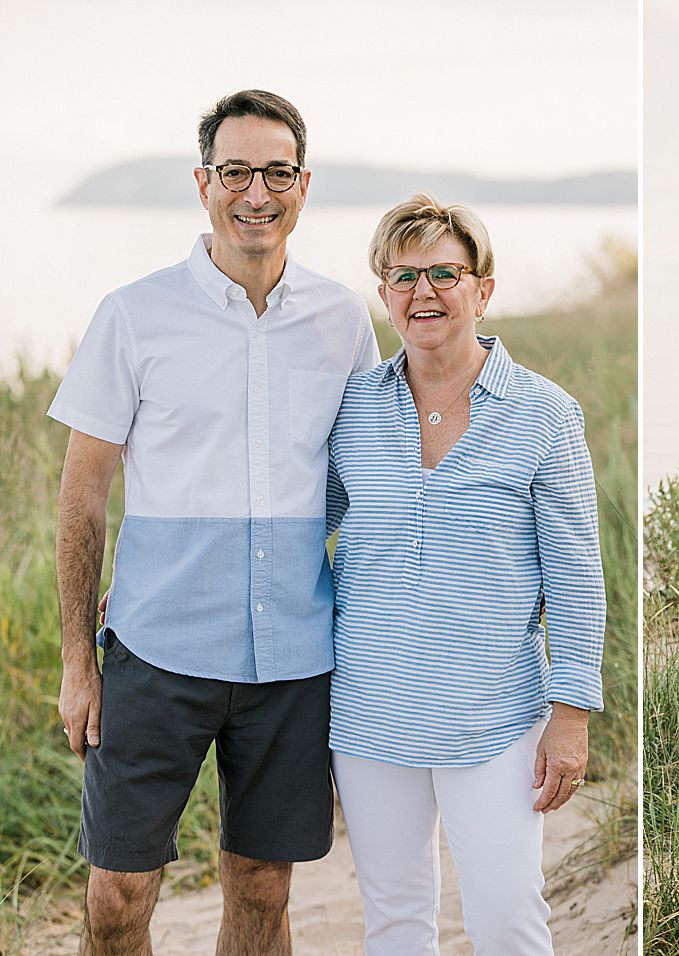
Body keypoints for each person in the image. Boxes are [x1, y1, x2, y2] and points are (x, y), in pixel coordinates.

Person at [49, 90, 378, 954]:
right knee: (117, 897)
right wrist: (78, 659)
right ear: (205, 184)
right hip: (156, 652)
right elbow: (82, 491)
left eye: (277, 172)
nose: (256, 193)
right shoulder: (134, 313)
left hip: (294, 661)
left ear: (303, 185)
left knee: (265, 895)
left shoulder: (344, 320)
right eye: (236, 171)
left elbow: (364, 477)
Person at [325, 194, 606, 954]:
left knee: (508, 919)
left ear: (483, 288)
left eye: (445, 273)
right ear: (383, 296)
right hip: (369, 715)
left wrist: (571, 711)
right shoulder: (350, 410)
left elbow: (577, 573)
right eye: (404, 276)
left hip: (496, 719)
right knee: (395, 921)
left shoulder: (545, 413)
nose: (425, 292)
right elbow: (300, 532)